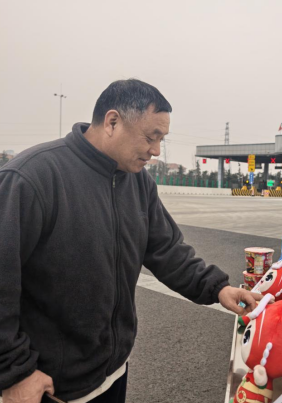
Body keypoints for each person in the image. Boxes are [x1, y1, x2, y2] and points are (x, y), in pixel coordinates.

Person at [0, 79, 262, 403]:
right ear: (112, 122)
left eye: (162, 140)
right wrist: (15, 373)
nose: (156, 150)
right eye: (151, 137)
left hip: (114, 373)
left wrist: (218, 288)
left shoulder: (138, 183)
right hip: (51, 388)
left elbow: (167, 250)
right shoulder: (32, 179)